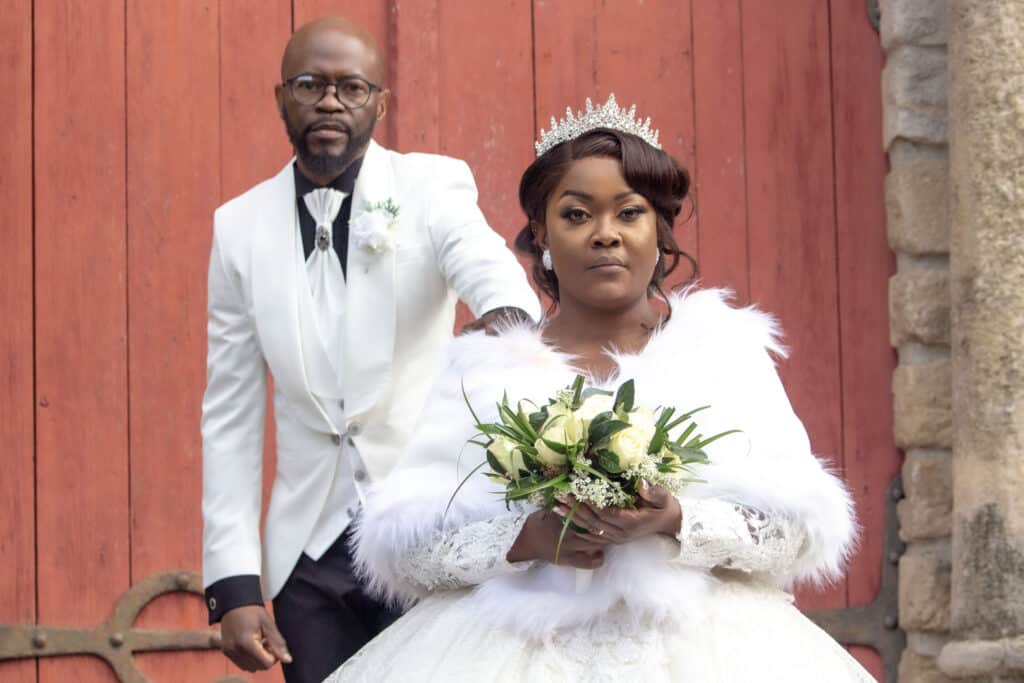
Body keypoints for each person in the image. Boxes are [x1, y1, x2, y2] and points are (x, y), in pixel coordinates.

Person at [323, 95, 875, 682]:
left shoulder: (725, 353)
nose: (605, 235)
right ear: (541, 234)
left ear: (661, 232)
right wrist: (524, 538)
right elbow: (407, 548)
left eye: (629, 213)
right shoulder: (482, 373)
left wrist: (675, 519)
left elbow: (796, 531)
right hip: (510, 648)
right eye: (577, 214)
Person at [200, 15, 541, 683]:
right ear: (280, 99)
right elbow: (230, 413)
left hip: (426, 531)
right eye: (309, 84)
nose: (329, 101)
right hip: (307, 557)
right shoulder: (237, 227)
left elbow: (484, 264)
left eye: (350, 87)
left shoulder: (432, 187)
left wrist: (507, 318)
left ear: (380, 104)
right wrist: (234, 584)